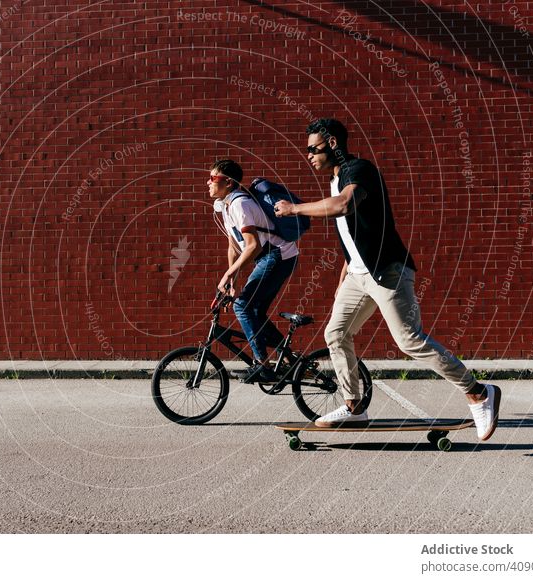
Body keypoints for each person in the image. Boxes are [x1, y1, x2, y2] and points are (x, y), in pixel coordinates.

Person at [274, 119, 500, 441]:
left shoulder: (358, 170)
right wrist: (346, 273)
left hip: (386, 271)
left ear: (333, 144)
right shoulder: (335, 181)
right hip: (358, 273)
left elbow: (343, 207)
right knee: (336, 333)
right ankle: (354, 406)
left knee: (410, 340)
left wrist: (295, 209)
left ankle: (478, 392)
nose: (308, 155)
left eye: (314, 149)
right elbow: (352, 235)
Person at [208, 159, 299, 383]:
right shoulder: (226, 206)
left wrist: (228, 274)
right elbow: (234, 246)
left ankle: (262, 365)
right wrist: (233, 281)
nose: (208, 183)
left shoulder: (240, 204)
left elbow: (252, 246)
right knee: (254, 310)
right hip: (267, 257)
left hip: (278, 255)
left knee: (242, 306)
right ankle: (290, 360)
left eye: (213, 178)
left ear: (228, 183)